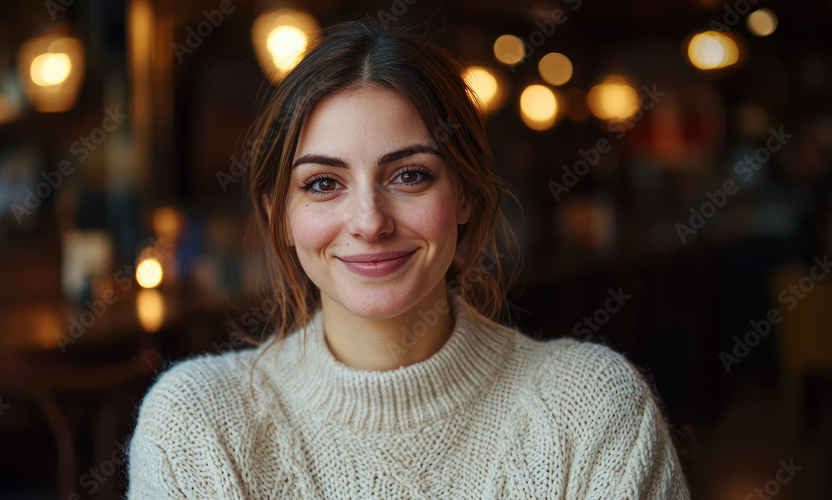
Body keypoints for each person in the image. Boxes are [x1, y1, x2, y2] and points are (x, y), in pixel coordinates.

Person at [127, 19, 690, 499]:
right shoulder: (197, 424)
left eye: (411, 175)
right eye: (324, 183)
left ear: (464, 194)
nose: (370, 221)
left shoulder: (593, 411)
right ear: (280, 216)